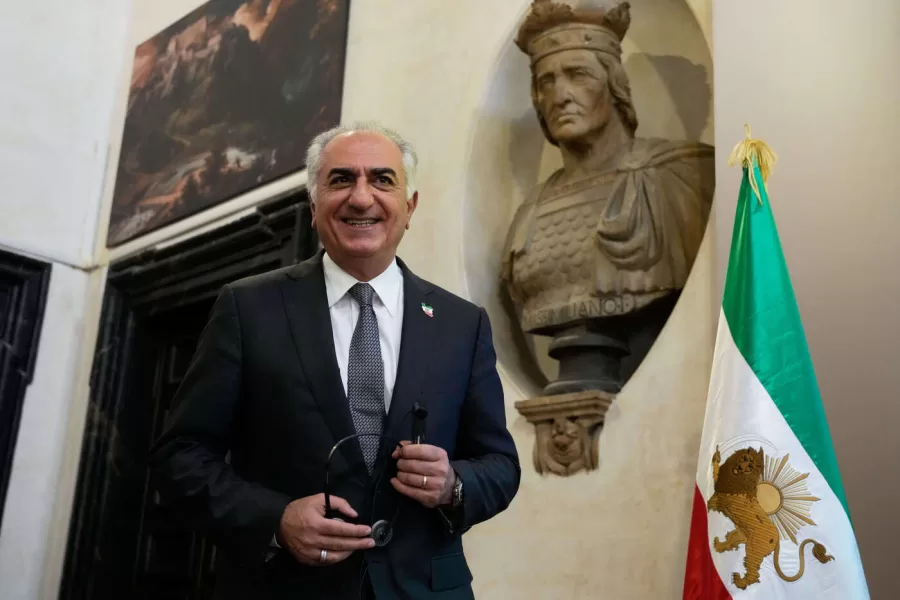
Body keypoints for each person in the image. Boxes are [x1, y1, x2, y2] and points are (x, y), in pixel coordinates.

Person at [150, 121, 521, 599]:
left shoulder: (461, 323)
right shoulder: (248, 308)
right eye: (341, 179)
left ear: (409, 208)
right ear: (313, 205)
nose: (362, 198)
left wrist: (454, 483)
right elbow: (180, 455)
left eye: (383, 180)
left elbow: (500, 465)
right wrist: (275, 519)